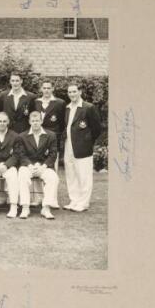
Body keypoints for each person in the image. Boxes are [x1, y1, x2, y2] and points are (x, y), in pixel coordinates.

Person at [63, 83, 102, 212]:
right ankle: (74, 200)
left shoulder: (88, 107)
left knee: (84, 175)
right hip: (69, 146)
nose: (72, 94)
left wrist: (87, 142)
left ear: (80, 92)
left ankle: (83, 203)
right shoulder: (68, 108)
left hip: (83, 147)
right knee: (71, 174)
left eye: (74, 91)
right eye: (69, 92)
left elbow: (97, 129)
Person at [16, 111, 59, 220]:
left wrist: (43, 166)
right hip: (28, 166)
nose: (35, 123)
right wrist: (30, 166)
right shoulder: (22, 136)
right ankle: (25, 207)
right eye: (33, 121)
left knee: (53, 178)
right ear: (29, 122)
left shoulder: (51, 135)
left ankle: (46, 207)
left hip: (44, 166)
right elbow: (21, 154)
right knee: (22, 175)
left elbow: (53, 154)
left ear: (41, 121)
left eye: (37, 121)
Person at [34, 80, 66, 169]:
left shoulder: (60, 103)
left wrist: (58, 135)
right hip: (38, 136)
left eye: (48, 88)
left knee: (52, 162)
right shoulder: (36, 102)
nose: (46, 90)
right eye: (44, 88)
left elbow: (62, 123)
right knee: (39, 163)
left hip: (53, 137)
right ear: (41, 89)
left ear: (53, 89)